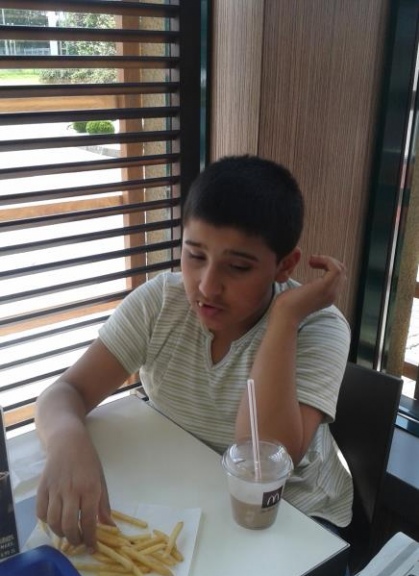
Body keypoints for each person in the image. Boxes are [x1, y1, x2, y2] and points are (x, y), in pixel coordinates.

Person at [35, 154, 352, 549]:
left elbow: (262, 460)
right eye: (195, 256)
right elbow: (66, 392)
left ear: (285, 266)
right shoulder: (161, 303)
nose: (206, 286)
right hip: (189, 491)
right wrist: (67, 443)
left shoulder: (317, 326)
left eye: (238, 267)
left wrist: (284, 319)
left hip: (293, 515)